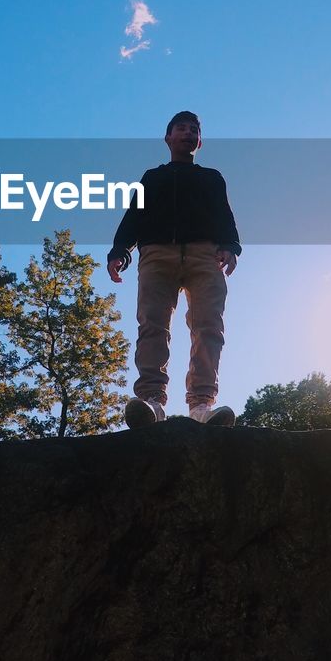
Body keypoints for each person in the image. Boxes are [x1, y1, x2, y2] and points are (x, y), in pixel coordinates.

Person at [108, 111, 241, 428]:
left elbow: (224, 214)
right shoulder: (153, 178)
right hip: (156, 254)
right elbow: (134, 217)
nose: (188, 133)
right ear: (168, 137)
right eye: (181, 128)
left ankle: (201, 405)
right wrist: (120, 252)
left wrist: (230, 246)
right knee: (152, 324)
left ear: (200, 141)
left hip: (204, 254)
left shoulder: (212, 177)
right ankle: (152, 402)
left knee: (208, 326)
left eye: (194, 129)